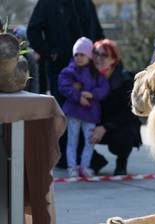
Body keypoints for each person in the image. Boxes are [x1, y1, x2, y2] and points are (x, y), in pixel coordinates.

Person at [27, 0, 105, 168]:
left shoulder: (86, 4)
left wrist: (100, 58)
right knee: (64, 113)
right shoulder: (48, 4)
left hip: (89, 71)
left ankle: (86, 156)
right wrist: (51, 53)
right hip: (61, 69)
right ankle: (64, 157)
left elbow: (98, 33)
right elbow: (33, 31)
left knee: (87, 112)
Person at [89, 39, 142, 175]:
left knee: (123, 138)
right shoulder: (87, 76)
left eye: (104, 55)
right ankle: (95, 161)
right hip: (94, 123)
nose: (98, 58)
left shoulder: (125, 80)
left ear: (113, 60)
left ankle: (121, 162)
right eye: (96, 54)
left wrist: (105, 127)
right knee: (70, 131)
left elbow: (128, 113)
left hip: (118, 125)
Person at [58, 37, 109, 177]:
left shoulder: (96, 73)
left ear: (89, 56)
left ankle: (85, 166)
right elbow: (63, 86)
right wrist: (78, 96)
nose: (79, 58)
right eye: (76, 54)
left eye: (82, 54)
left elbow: (104, 88)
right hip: (74, 113)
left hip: (91, 113)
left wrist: (92, 94)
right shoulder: (69, 71)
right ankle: (72, 167)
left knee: (89, 141)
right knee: (72, 141)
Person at [12, 26, 40, 93]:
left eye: (19, 38)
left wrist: (34, 95)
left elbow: (34, 78)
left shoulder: (29, 57)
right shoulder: (10, 55)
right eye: (16, 37)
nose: (17, 40)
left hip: (25, 92)